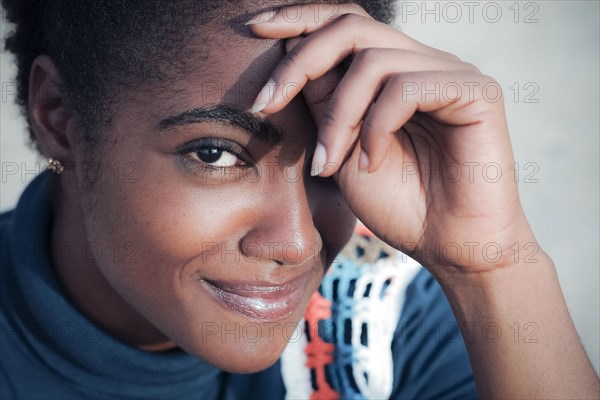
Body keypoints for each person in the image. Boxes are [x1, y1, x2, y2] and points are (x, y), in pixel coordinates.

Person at [0, 0, 598, 399]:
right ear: (60, 116)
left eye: (329, 163)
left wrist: (492, 267)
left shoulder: (378, 325)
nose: (298, 243)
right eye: (215, 154)